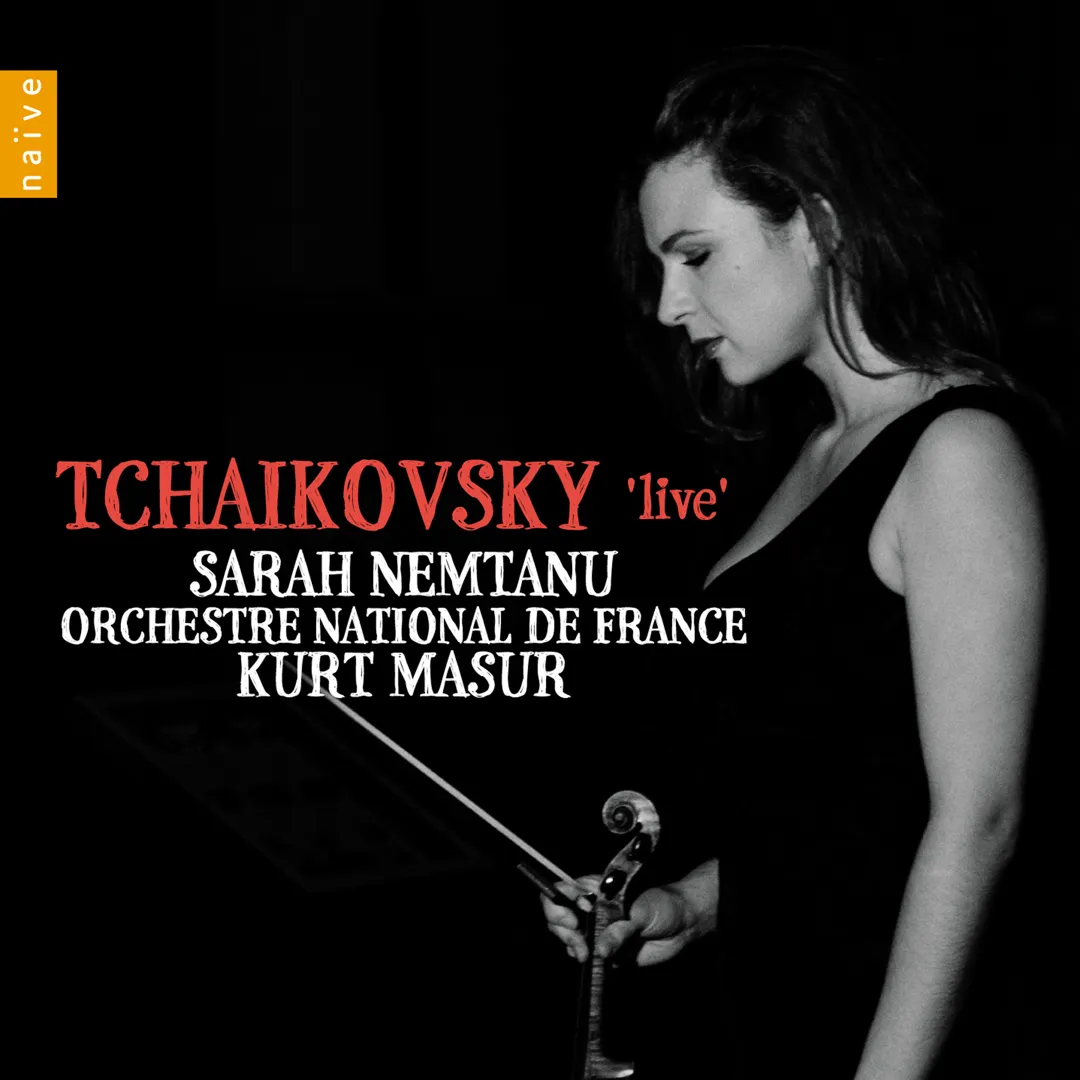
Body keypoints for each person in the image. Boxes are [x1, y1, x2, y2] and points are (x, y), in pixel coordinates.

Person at [542, 46, 1058, 1078]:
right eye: (660, 267)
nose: (667, 304)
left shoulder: (957, 450)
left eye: (695, 255)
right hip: (770, 1021)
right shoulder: (816, 452)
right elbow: (849, 797)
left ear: (817, 228)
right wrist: (694, 901)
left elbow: (980, 822)